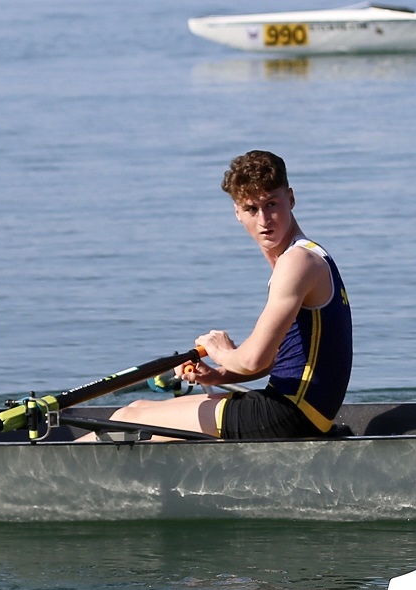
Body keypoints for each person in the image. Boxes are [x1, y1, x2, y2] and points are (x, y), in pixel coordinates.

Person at [107, 150, 351, 440]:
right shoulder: (308, 256)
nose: (264, 220)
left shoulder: (296, 263)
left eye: (272, 204)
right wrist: (216, 375)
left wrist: (219, 349)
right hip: (298, 411)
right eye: (251, 209)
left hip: (287, 415)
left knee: (129, 417)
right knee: (143, 415)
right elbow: (280, 359)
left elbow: (253, 361)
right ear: (237, 212)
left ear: (291, 198)